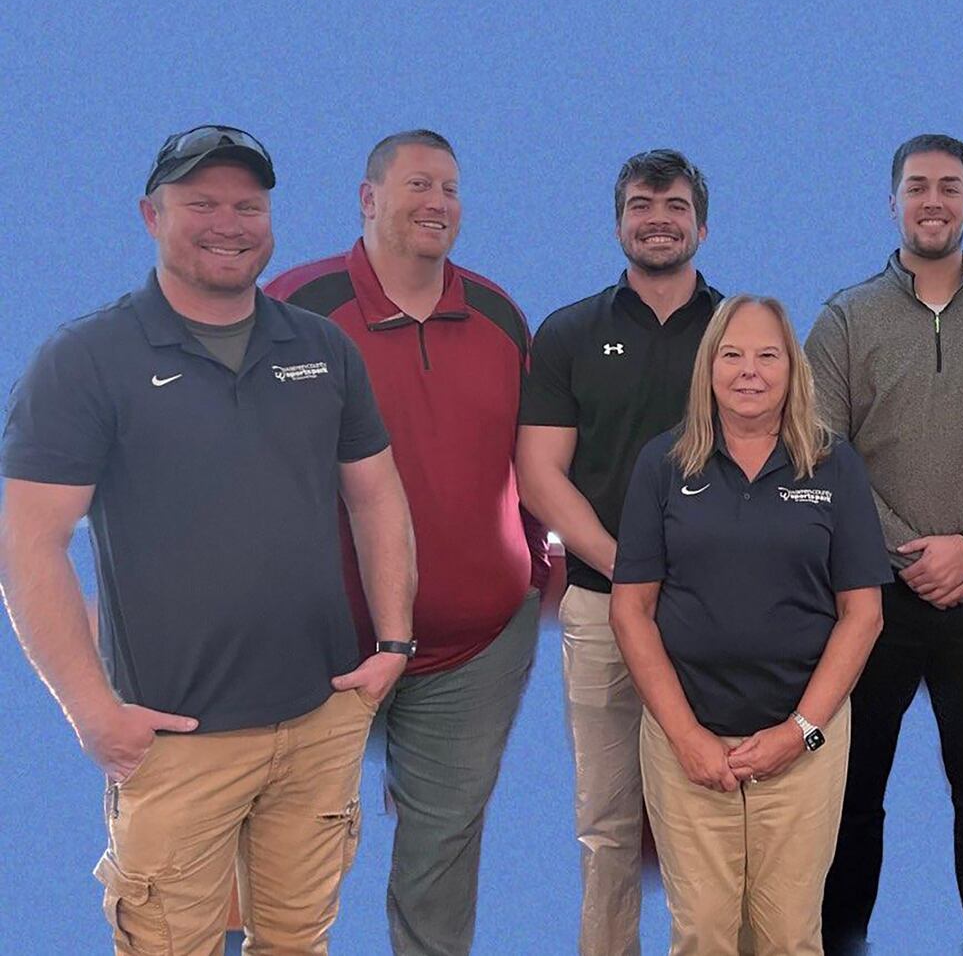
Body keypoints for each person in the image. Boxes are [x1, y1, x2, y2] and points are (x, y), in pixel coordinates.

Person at [0, 125, 416, 954]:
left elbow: (377, 497)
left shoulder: (321, 347)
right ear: (151, 215)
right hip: (175, 744)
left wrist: (395, 640)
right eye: (201, 204)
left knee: (298, 939)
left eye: (247, 205)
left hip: (320, 719)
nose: (228, 222)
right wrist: (91, 712)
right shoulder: (89, 358)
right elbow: (26, 545)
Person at [264, 129, 550, 955]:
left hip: (477, 646)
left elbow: (535, 460)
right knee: (289, 849)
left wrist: (543, 570)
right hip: (327, 649)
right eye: (419, 184)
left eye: (452, 189)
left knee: (441, 857)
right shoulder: (299, 308)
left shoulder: (498, 313)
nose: (438, 203)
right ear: (368, 197)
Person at [806, 133, 963, 955]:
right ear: (893, 201)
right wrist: (915, 552)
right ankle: (841, 941)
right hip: (870, 598)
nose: (932, 200)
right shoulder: (843, 317)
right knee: (851, 789)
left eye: (948, 186)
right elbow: (821, 456)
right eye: (916, 186)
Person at [611, 293, 889, 955]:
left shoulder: (834, 464)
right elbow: (631, 609)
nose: (749, 370)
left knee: (789, 934)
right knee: (704, 929)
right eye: (731, 354)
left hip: (803, 743)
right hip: (688, 741)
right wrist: (686, 736)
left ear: (793, 370)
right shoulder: (665, 463)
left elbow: (864, 613)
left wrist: (799, 731)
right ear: (708, 368)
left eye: (767, 355)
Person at [520, 149, 722, 956]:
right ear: (618, 224)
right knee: (607, 823)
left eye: (675, 204)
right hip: (601, 605)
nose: (659, 217)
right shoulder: (571, 331)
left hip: (718, 616)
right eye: (643, 204)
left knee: (708, 815)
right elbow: (540, 473)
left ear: (701, 224)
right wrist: (630, 567)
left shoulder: (740, 330)